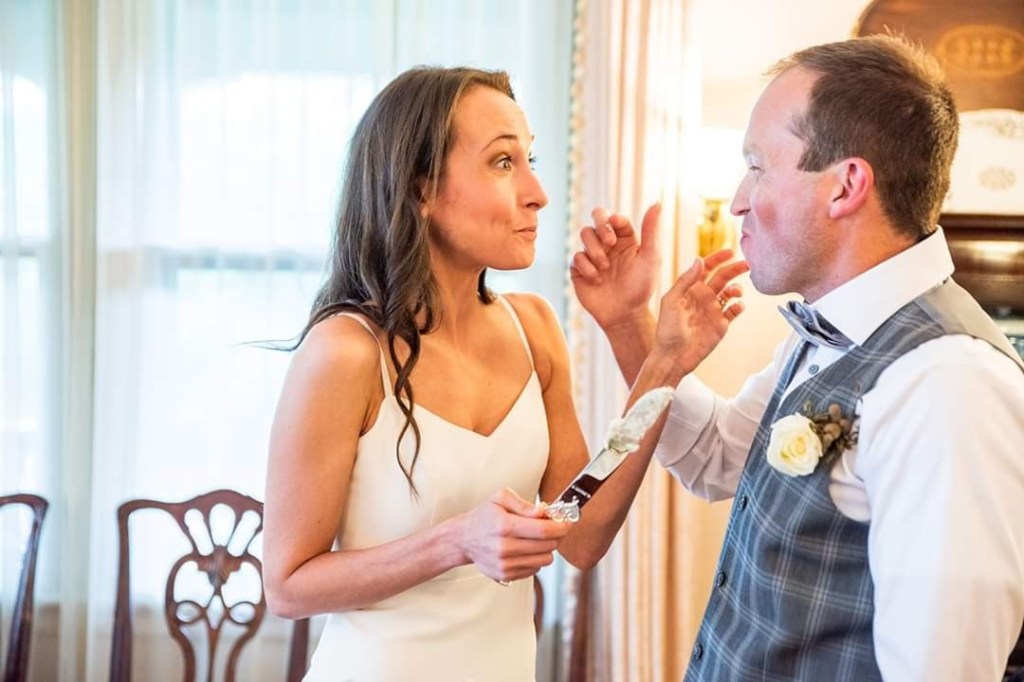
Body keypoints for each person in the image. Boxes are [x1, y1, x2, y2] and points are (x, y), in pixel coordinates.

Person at [571, 34, 1024, 681]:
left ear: (846, 187)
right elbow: (717, 456)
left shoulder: (947, 384)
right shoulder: (830, 329)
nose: (737, 199)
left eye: (758, 166)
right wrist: (628, 323)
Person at [261, 66, 665, 681]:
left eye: (530, 159)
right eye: (504, 162)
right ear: (420, 190)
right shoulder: (345, 352)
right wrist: (454, 542)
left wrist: (657, 355)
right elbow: (288, 586)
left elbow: (579, 536)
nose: (537, 193)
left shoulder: (535, 329)